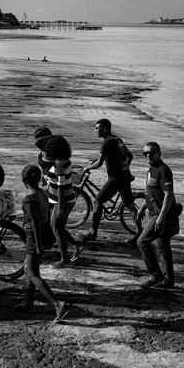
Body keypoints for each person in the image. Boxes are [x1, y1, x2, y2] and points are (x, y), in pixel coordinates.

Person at [17, 164, 70, 322]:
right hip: (45, 233)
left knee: (32, 273)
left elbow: (34, 223)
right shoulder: (42, 193)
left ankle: (57, 304)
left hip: (35, 237)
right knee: (29, 268)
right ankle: (29, 303)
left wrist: (38, 244)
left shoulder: (28, 199)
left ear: (24, 181)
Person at [80, 118, 139, 239]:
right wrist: (124, 168)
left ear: (105, 129)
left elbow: (99, 163)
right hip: (125, 177)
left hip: (115, 179)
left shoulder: (106, 143)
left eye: (97, 128)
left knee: (98, 202)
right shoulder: (117, 139)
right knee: (129, 205)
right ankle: (140, 234)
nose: (95, 131)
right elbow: (129, 155)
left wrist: (87, 168)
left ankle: (93, 233)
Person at [137, 141, 178, 289]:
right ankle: (168, 280)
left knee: (142, 242)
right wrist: (143, 208)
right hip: (155, 213)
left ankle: (155, 275)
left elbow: (168, 195)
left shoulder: (163, 170)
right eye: (145, 153)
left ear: (159, 154)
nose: (148, 155)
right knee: (163, 246)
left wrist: (160, 217)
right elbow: (151, 193)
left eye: (151, 153)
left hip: (161, 215)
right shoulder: (151, 169)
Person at [40, 133, 82, 265]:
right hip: (63, 200)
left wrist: (60, 208)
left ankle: (64, 259)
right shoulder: (65, 160)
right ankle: (75, 246)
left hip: (62, 201)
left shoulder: (59, 165)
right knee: (58, 228)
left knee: (57, 230)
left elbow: (61, 188)